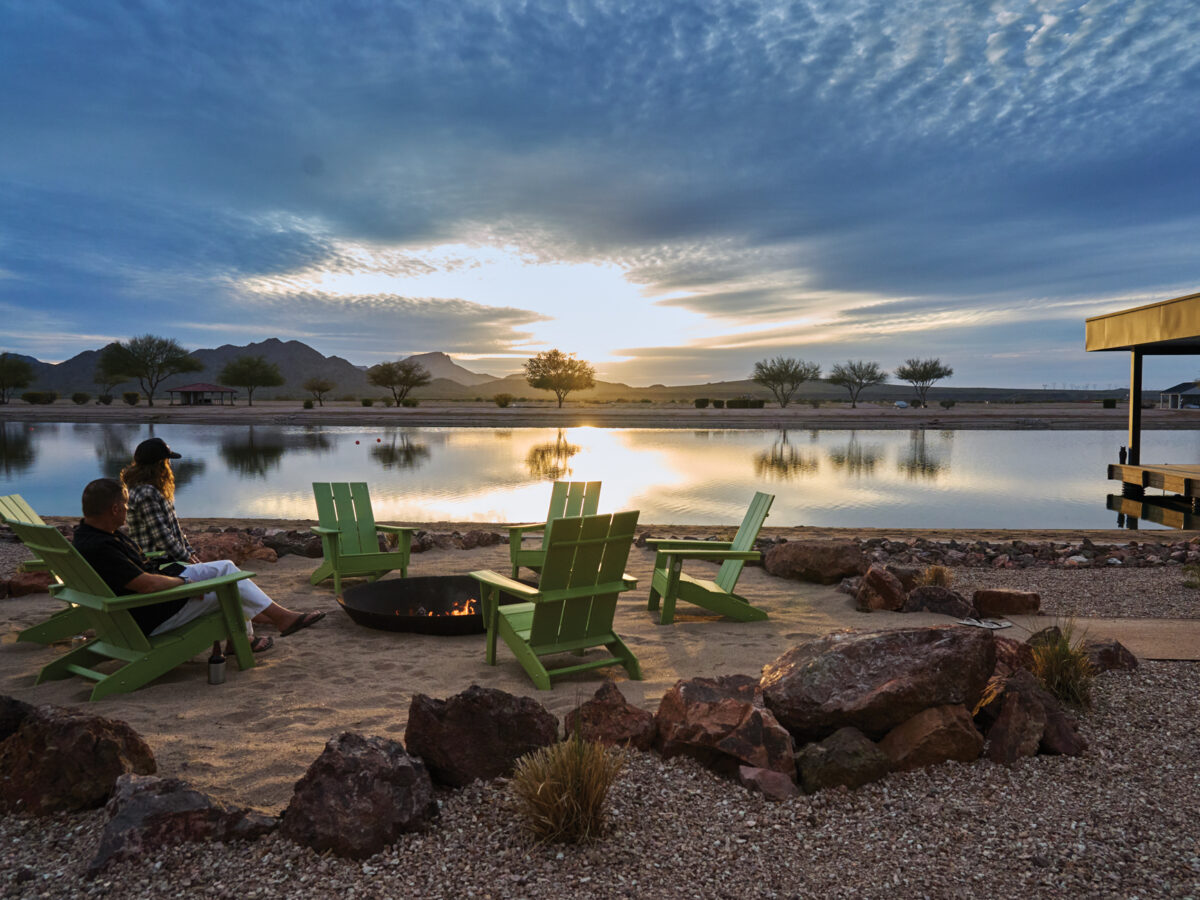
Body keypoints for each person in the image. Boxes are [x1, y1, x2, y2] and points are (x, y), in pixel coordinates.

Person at [73, 477, 325, 652]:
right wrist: (184, 582)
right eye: (126, 506)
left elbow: (143, 577)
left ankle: (277, 618)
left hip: (142, 602)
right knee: (228, 589)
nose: (128, 510)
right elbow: (146, 585)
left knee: (225, 567)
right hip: (148, 612)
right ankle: (252, 636)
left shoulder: (92, 535)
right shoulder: (102, 547)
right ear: (115, 509)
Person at [120, 437, 197, 563]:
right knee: (227, 566)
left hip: (173, 560)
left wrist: (190, 553)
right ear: (161, 464)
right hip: (160, 564)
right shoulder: (146, 494)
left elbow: (174, 528)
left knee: (221, 568)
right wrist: (187, 558)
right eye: (167, 461)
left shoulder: (155, 490)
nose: (170, 465)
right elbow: (162, 537)